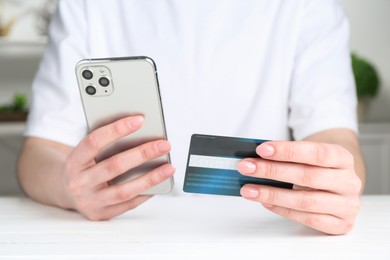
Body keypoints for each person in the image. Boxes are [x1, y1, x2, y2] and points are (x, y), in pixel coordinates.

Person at [17, 0, 365, 235]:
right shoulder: (88, 5)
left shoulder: (309, 6)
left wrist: (333, 181)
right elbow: (41, 150)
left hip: (260, 232)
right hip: (121, 232)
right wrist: (68, 187)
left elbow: (335, 137)